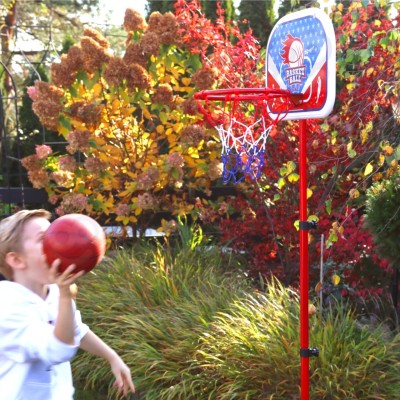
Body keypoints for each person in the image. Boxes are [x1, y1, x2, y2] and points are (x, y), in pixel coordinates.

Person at [0, 209, 135, 400]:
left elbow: (77, 330)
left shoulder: (53, 291)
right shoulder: (7, 306)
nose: (56, 244)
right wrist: (66, 297)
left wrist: (112, 357)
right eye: (42, 239)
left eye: (53, 234)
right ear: (16, 259)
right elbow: (58, 350)